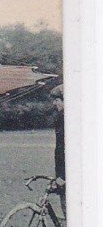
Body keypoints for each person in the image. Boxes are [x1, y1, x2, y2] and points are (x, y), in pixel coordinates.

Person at [50, 84, 66, 220]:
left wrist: (64, 176)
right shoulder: (61, 118)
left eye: (57, 100)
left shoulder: (70, 121)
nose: (54, 103)